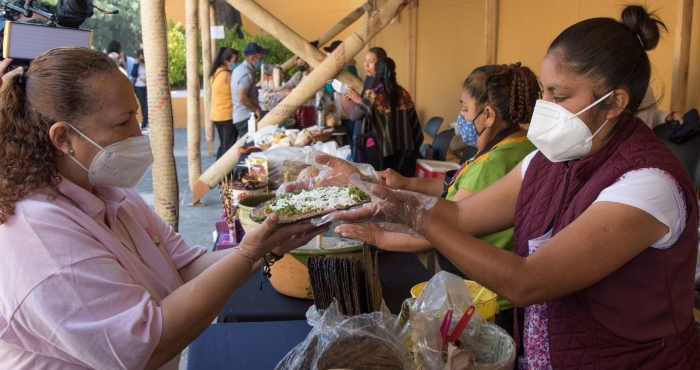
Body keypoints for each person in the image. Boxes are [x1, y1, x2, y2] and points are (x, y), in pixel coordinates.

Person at [318, 5, 700, 368]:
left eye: (559, 96)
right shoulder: (549, 159)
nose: (544, 106)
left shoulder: (648, 183)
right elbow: (463, 214)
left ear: (615, 102)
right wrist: (375, 189)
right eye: (545, 92)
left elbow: (527, 282)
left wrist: (415, 217)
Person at [0, 47, 327, 368]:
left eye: (136, 115)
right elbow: (144, 347)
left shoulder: (111, 193)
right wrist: (247, 255)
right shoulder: (39, 235)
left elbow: (183, 269)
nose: (136, 133)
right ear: (63, 138)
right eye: (122, 123)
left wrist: (266, 245)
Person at [338, 62, 539, 336]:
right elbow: (456, 185)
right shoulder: (521, 146)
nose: (461, 118)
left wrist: (381, 237)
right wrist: (406, 183)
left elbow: (446, 226)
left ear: (488, 115)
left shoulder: (493, 163)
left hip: (481, 299)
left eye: (465, 109)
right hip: (489, 291)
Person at [348, 57, 423, 177]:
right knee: (395, 186)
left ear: (376, 73)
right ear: (394, 73)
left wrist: (359, 100)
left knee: (376, 184)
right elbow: (413, 124)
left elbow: (354, 116)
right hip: (401, 149)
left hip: (376, 149)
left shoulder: (372, 94)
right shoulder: (404, 94)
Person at [342, 47, 388, 149]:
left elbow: (376, 111)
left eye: (371, 62)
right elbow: (365, 102)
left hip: (375, 138)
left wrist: (359, 100)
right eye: (365, 61)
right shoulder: (370, 79)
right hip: (366, 131)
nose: (366, 65)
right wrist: (355, 97)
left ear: (380, 64)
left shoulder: (381, 85)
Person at [231, 42, 268, 139]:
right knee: (250, 146)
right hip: (246, 117)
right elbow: (242, 96)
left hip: (240, 115)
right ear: (253, 58)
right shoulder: (246, 73)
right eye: (260, 58)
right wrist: (256, 109)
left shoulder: (239, 69)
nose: (262, 60)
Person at [210, 47, 239, 159]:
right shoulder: (228, 76)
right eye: (235, 60)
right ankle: (225, 174)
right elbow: (238, 94)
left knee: (223, 145)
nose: (237, 63)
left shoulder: (216, 72)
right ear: (226, 62)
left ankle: (217, 172)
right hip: (227, 116)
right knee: (228, 148)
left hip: (217, 115)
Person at [132, 48, 149, 131]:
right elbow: (133, 74)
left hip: (147, 86)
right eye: (140, 55)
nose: (142, 57)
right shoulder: (137, 64)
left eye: (143, 55)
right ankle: (144, 121)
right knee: (143, 103)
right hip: (138, 86)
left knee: (147, 103)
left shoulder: (149, 64)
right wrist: (135, 65)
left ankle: (145, 121)